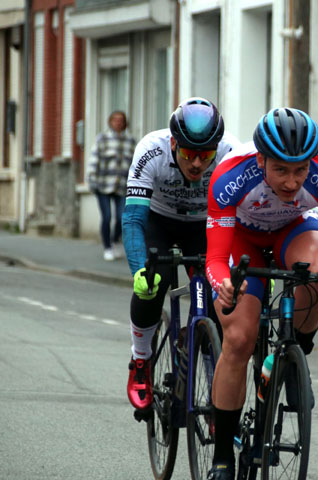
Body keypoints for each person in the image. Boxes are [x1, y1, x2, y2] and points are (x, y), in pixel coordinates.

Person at [204, 107, 318, 479]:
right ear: (261, 159)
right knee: (238, 339)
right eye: (281, 170)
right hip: (242, 238)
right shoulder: (231, 175)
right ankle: (222, 457)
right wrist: (224, 285)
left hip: (295, 231)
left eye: (300, 170)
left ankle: (296, 355)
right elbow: (215, 259)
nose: (292, 182)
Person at [122, 97, 239, 411]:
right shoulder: (151, 150)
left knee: (220, 296)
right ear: (173, 143)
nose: (198, 164)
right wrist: (138, 271)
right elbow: (133, 219)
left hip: (206, 223)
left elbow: (243, 219)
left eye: (205, 155)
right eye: (189, 153)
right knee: (153, 283)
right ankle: (142, 359)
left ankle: (215, 382)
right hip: (158, 220)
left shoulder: (231, 153)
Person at [87, 110, 137, 261]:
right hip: (103, 184)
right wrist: (91, 178)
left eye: (121, 120)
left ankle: (115, 241)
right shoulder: (103, 139)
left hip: (122, 186)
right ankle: (107, 247)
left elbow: (135, 163)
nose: (118, 123)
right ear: (110, 122)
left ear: (125, 122)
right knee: (107, 216)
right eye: (115, 120)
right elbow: (94, 159)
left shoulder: (131, 141)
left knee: (122, 217)